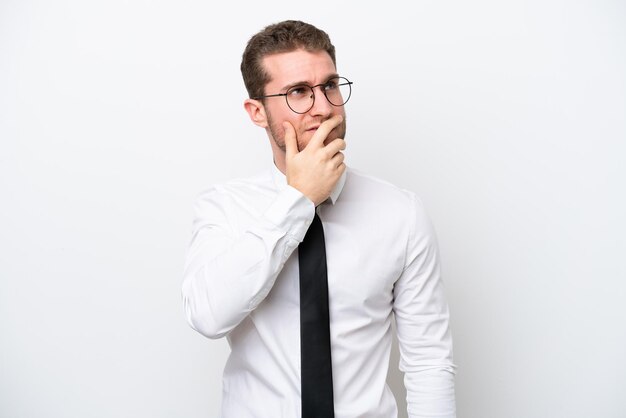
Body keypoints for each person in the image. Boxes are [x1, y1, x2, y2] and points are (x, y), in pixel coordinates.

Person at [182, 20, 456, 418]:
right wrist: (298, 200)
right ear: (257, 112)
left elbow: (429, 361)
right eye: (298, 92)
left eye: (329, 85)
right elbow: (208, 316)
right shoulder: (224, 207)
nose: (324, 106)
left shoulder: (400, 213)